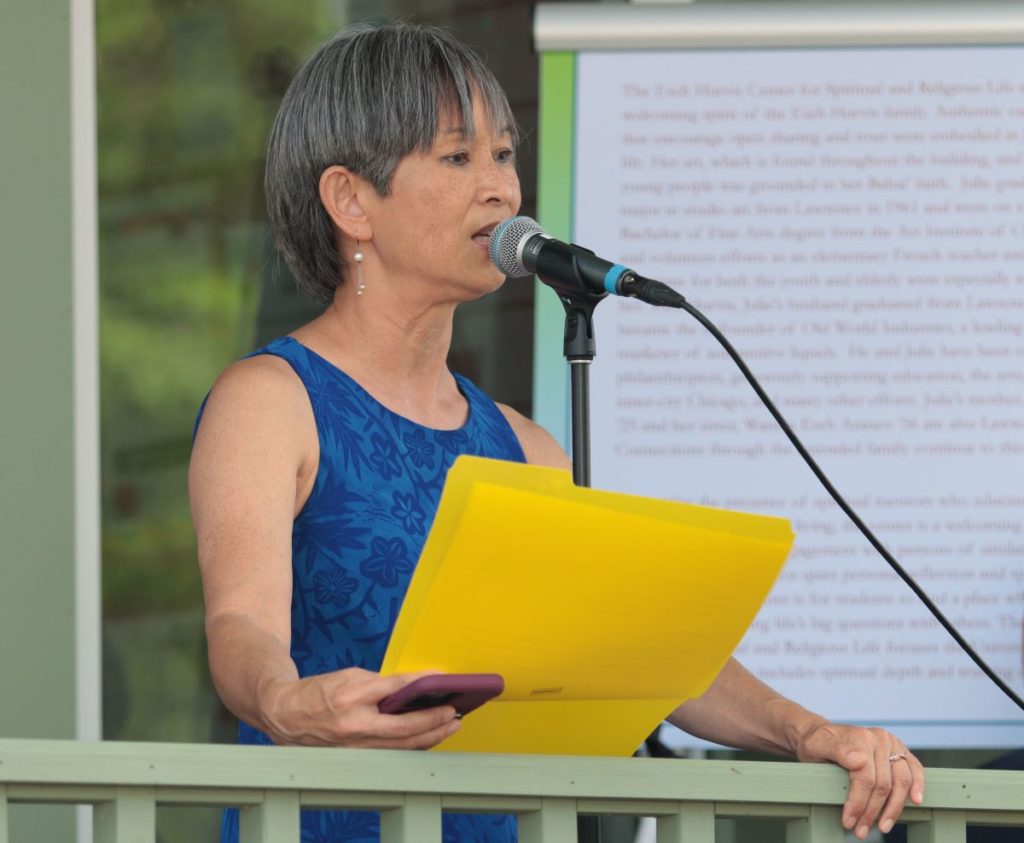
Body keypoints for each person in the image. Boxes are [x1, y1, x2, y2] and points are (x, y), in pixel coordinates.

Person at [188, 21, 925, 843]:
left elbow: (645, 659)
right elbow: (242, 627)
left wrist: (809, 731)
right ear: (351, 200)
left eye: (504, 155)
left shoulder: (526, 445)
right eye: (458, 157)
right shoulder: (270, 399)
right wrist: (288, 701)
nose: (502, 188)